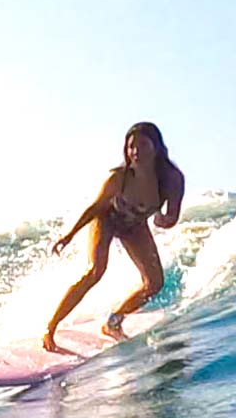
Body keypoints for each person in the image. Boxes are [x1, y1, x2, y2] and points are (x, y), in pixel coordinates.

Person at [43, 122, 185, 352]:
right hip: (106, 220)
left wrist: (164, 220)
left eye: (142, 145)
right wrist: (69, 235)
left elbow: (172, 215)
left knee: (155, 283)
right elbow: (95, 208)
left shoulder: (172, 179)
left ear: (157, 147)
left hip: (134, 226)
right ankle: (50, 328)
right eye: (131, 147)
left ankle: (114, 321)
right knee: (95, 271)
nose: (135, 151)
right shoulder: (119, 178)